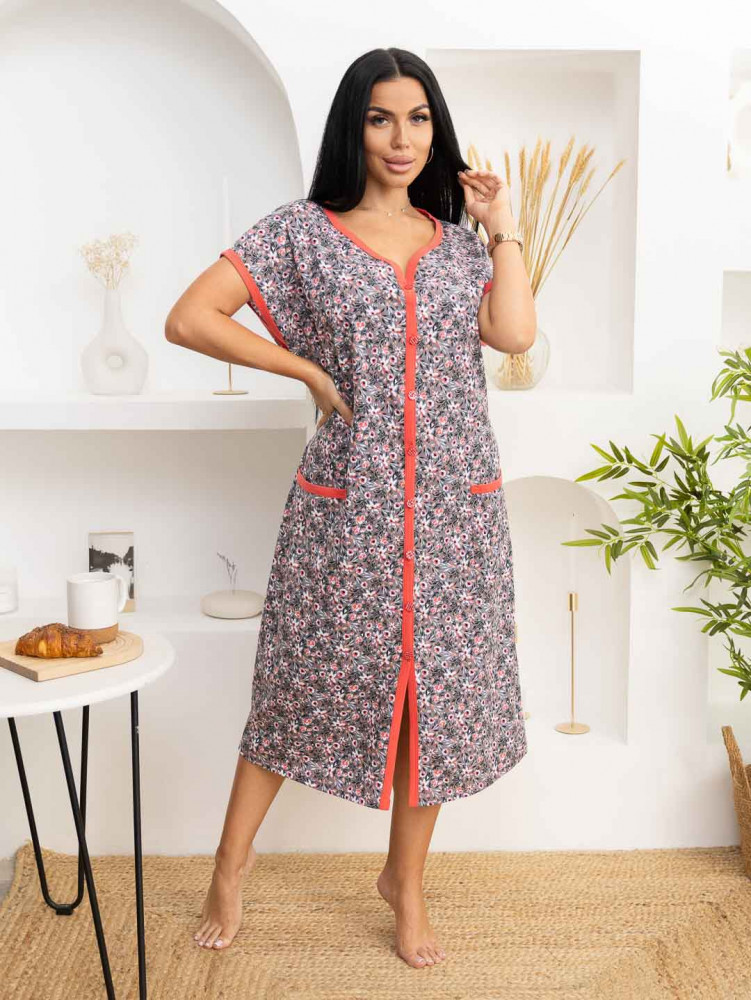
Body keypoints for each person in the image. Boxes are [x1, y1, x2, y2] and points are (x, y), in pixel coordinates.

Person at [164, 46, 536, 970]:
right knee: (297, 686)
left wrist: (502, 227)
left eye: (417, 118)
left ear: (435, 129)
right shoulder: (302, 233)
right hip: (347, 510)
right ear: (352, 128)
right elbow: (190, 317)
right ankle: (229, 865)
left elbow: (514, 332)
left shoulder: (459, 244)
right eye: (380, 119)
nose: (400, 139)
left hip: (454, 514)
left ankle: (403, 883)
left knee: (436, 698)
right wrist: (301, 367)